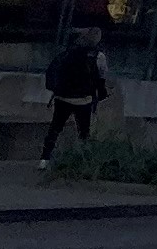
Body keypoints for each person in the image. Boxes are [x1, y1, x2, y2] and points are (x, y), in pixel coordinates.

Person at [40, 31, 111, 168]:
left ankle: (44, 158)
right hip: (83, 99)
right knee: (83, 131)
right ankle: (82, 162)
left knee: (55, 128)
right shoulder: (98, 56)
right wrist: (101, 95)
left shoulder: (68, 52)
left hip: (62, 97)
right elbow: (100, 79)